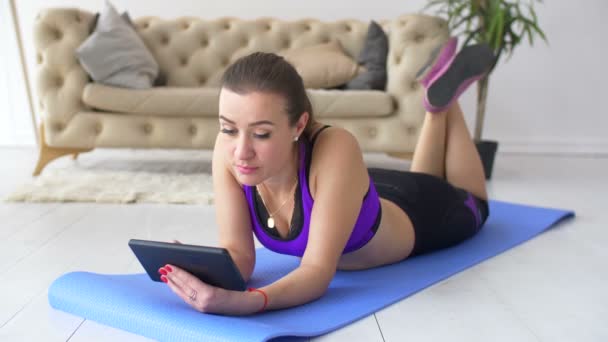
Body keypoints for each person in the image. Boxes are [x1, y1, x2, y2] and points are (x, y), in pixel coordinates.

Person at [157, 37, 495, 315]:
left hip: (424, 214)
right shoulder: (228, 151)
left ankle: (444, 106)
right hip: (360, 191)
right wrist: (200, 270)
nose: (240, 151)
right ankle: (436, 104)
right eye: (229, 128)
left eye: (261, 134)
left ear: (299, 125)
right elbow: (240, 255)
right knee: (424, 176)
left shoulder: (336, 147)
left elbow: (317, 272)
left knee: (474, 200)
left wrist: (249, 301)